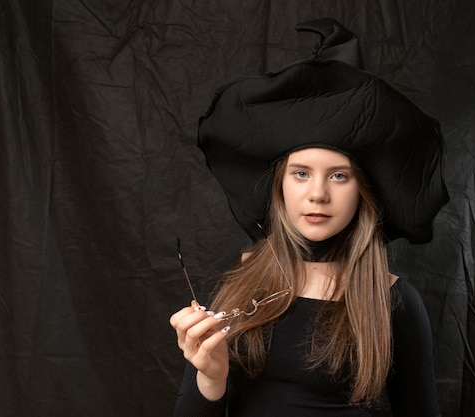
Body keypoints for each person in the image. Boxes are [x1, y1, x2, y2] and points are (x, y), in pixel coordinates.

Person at [170, 18, 449, 417]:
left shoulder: (394, 302)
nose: (317, 193)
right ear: (279, 184)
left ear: (363, 192)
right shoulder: (232, 278)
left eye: (339, 176)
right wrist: (210, 379)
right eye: (301, 173)